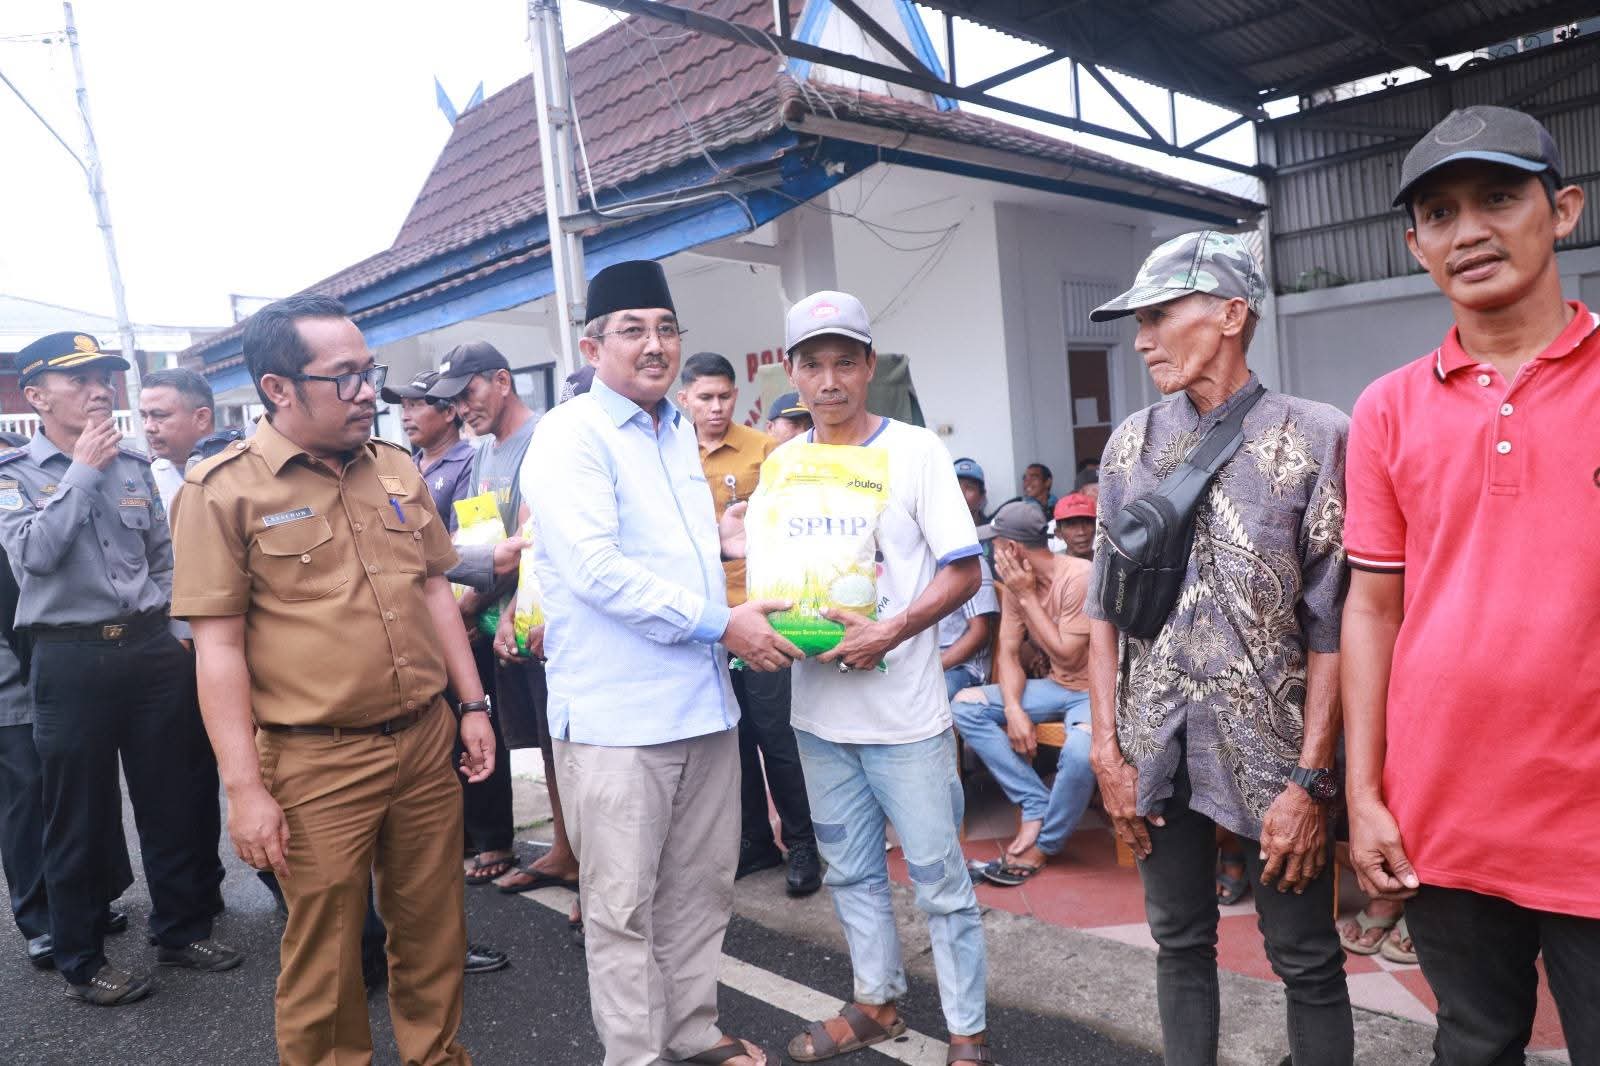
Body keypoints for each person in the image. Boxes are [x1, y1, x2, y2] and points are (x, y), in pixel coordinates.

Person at [170, 295, 496, 1065]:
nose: (366, 393)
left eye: (367, 372)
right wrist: (245, 790)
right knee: (325, 956)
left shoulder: (393, 466)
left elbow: (431, 592)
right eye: (344, 377)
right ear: (278, 388)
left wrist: (472, 703)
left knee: (432, 932)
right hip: (315, 759)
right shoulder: (222, 491)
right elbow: (216, 651)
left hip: (423, 740)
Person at [1343, 105, 1599, 1064]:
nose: (1471, 231)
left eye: (1499, 198)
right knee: (1475, 1040)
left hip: (1590, 821)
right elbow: (1373, 608)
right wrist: (1365, 794)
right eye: (1441, 213)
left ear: (1561, 210)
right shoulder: (1388, 409)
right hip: (1443, 815)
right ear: (1418, 247)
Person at [1084, 232, 1353, 1066]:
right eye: (1139, 321)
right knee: (1179, 943)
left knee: (1306, 961)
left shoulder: (1316, 435)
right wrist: (1106, 748)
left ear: (1232, 314)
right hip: (1153, 742)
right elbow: (1103, 608)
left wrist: (1312, 780)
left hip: (1276, 758)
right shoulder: (1130, 442)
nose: (1141, 339)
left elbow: (1333, 626)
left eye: (1160, 316)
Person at [524, 260, 799, 1066]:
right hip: (618, 720)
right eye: (634, 330)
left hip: (702, 708)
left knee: (700, 893)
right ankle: (638, 1056)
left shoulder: (676, 428)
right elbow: (596, 571)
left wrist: (732, 542)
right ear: (592, 343)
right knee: (621, 909)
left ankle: (691, 1033)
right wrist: (723, 623)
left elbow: (666, 550)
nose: (655, 345)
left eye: (666, 328)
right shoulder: (570, 435)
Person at [774, 291, 995, 1066]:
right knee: (851, 872)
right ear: (793, 373)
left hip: (906, 718)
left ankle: (967, 1033)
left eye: (843, 362)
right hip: (820, 713)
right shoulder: (784, 463)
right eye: (812, 365)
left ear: (869, 367)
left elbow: (964, 570)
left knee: (940, 882)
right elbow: (777, 581)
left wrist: (893, 627)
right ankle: (876, 1002)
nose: (828, 380)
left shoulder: (916, 452)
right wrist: (781, 631)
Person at [0, 332, 241, 1006]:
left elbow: (165, 561)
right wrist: (78, 471)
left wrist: (175, 634)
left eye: (106, 375)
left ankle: (181, 929)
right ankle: (81, 958)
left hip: (148, 651)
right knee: (76, 813)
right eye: (80, 380)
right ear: (37, 394)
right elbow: (34, 557)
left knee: (175, 800)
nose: (101, 388)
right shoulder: (13, 475)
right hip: (69, 658)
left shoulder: (135, 467)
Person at [678, 352, 820, 897]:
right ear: (684, 399)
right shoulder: (672, 458)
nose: (716, 408)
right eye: (705, 398)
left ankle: (802, 844)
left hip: (764, 617)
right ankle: (754, 842)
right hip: (706, 623)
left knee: (776, 734)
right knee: (729, 739)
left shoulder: (769, 452)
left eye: (725, 397)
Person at [425, 343, 556, 896]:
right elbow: (480, 538)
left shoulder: (546, 440)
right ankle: (567, 851)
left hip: (533, 621)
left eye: (469, 392)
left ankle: (593, 873)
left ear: (502, 380)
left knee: (567, 745)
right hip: (494, 623)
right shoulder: (482, 453)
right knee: (545, 747)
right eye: (453, 400)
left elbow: (535, 543)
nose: (462, 409)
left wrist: (491, 611)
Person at [0, 432, 132, 972]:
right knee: (28, 792)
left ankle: (93, 897)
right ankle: (41, 919)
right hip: (12, 669)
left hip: (61, 653)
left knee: (86, 784)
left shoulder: (20, 469)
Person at [952, 501, 1094, 888]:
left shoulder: (1079, 576)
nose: (993, 553)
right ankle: (1034, 802)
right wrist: (1013, 708)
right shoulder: (1018, 587)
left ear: (1011, 548)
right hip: (1056, 687)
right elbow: (1010, 653)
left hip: (1095, 693)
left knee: (1081, 753)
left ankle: (1046, 844)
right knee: (965, 706)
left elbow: (1068, 652)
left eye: (996, 545)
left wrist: (1028, 596)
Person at [137, 367, 231, 916]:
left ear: (201, 417)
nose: (149, 426)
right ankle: (200, 889)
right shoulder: (140, 479)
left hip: (241, 650)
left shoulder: (236, 475)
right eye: (145, 415)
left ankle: (287, 884)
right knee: (186, 778)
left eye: (160, 414)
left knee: (264, 771)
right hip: (176, 654)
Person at [1051, 492, 1096, 560]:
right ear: (1058, 533)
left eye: (1087, 522)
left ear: (1096, 528)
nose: (1081, 532)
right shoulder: (1050, 566)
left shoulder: (1111, 563)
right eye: (1072, 525)